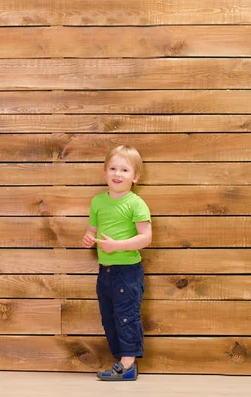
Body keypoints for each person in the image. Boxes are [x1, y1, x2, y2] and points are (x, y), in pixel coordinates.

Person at [82, 145, 152, 381]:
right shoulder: (98, 202)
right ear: (105, 173)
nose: (117, 174)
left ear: (135, 177)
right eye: (113, 168)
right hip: (105, 272)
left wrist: (116, 246)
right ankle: (121, 360)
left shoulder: (136, 203)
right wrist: (88, 239)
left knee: (126, 315)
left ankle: (128, 364)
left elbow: (146, 237)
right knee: (109, 316)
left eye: (124, 169)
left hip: (127, 272)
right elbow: (92, 230)